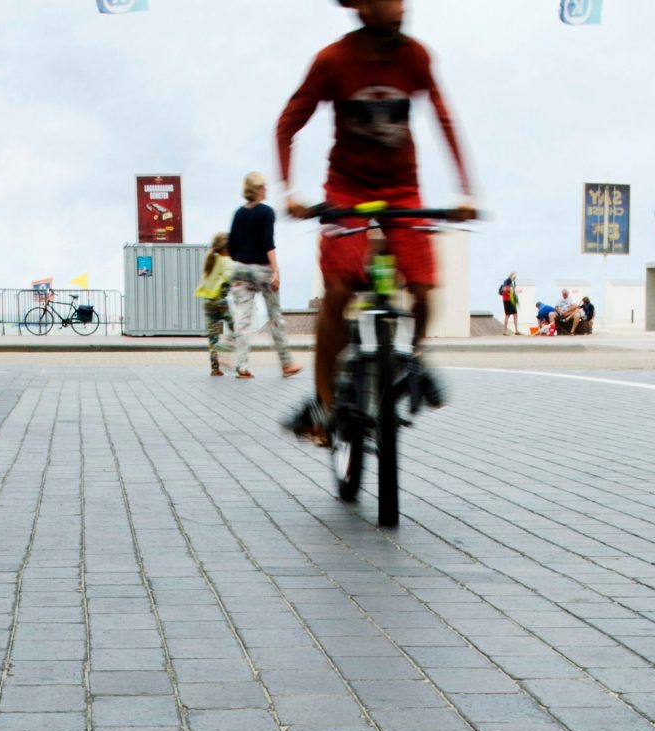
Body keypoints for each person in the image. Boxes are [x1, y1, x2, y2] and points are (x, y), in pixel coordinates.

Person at [278, 0, 475, 441]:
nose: (401, 7)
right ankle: (326, 404)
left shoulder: (415, 56)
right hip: (347, 189)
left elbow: (444, 119)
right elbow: (288, 123)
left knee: (423, 289)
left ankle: (414, 359)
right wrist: (289, 191)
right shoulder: (333, 61)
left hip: (402, 188)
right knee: (340, 291)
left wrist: (465, 190)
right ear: (363, 7)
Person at [229, 171, 301, 380]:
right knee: (275, 317)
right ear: (259, 190)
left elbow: (231, 245)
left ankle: (241, 366)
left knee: (242, 319)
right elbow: (268, 243)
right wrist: (276, 271)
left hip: (240, 269)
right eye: (264, 187)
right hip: (261, 269)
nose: (266, 190)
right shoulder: (266, 212)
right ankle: (286, 363)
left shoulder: (238, 214)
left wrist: (242, 258)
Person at [194, 232, 234, 376]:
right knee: (236, 329)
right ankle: (224, 351)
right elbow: (230, 277)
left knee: (213, 337)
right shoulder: (227, 261)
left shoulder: (210, 260)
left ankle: (215, 368)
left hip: (208, 303)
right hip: (221, 302)